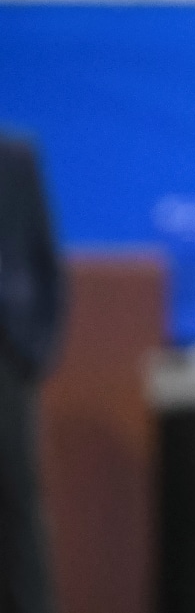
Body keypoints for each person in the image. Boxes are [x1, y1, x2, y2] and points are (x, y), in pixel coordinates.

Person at [0, 132, 64, 613]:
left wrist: (32, 350)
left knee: (16, 502)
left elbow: (45, 259)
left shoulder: (17, 157)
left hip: (7, 359)